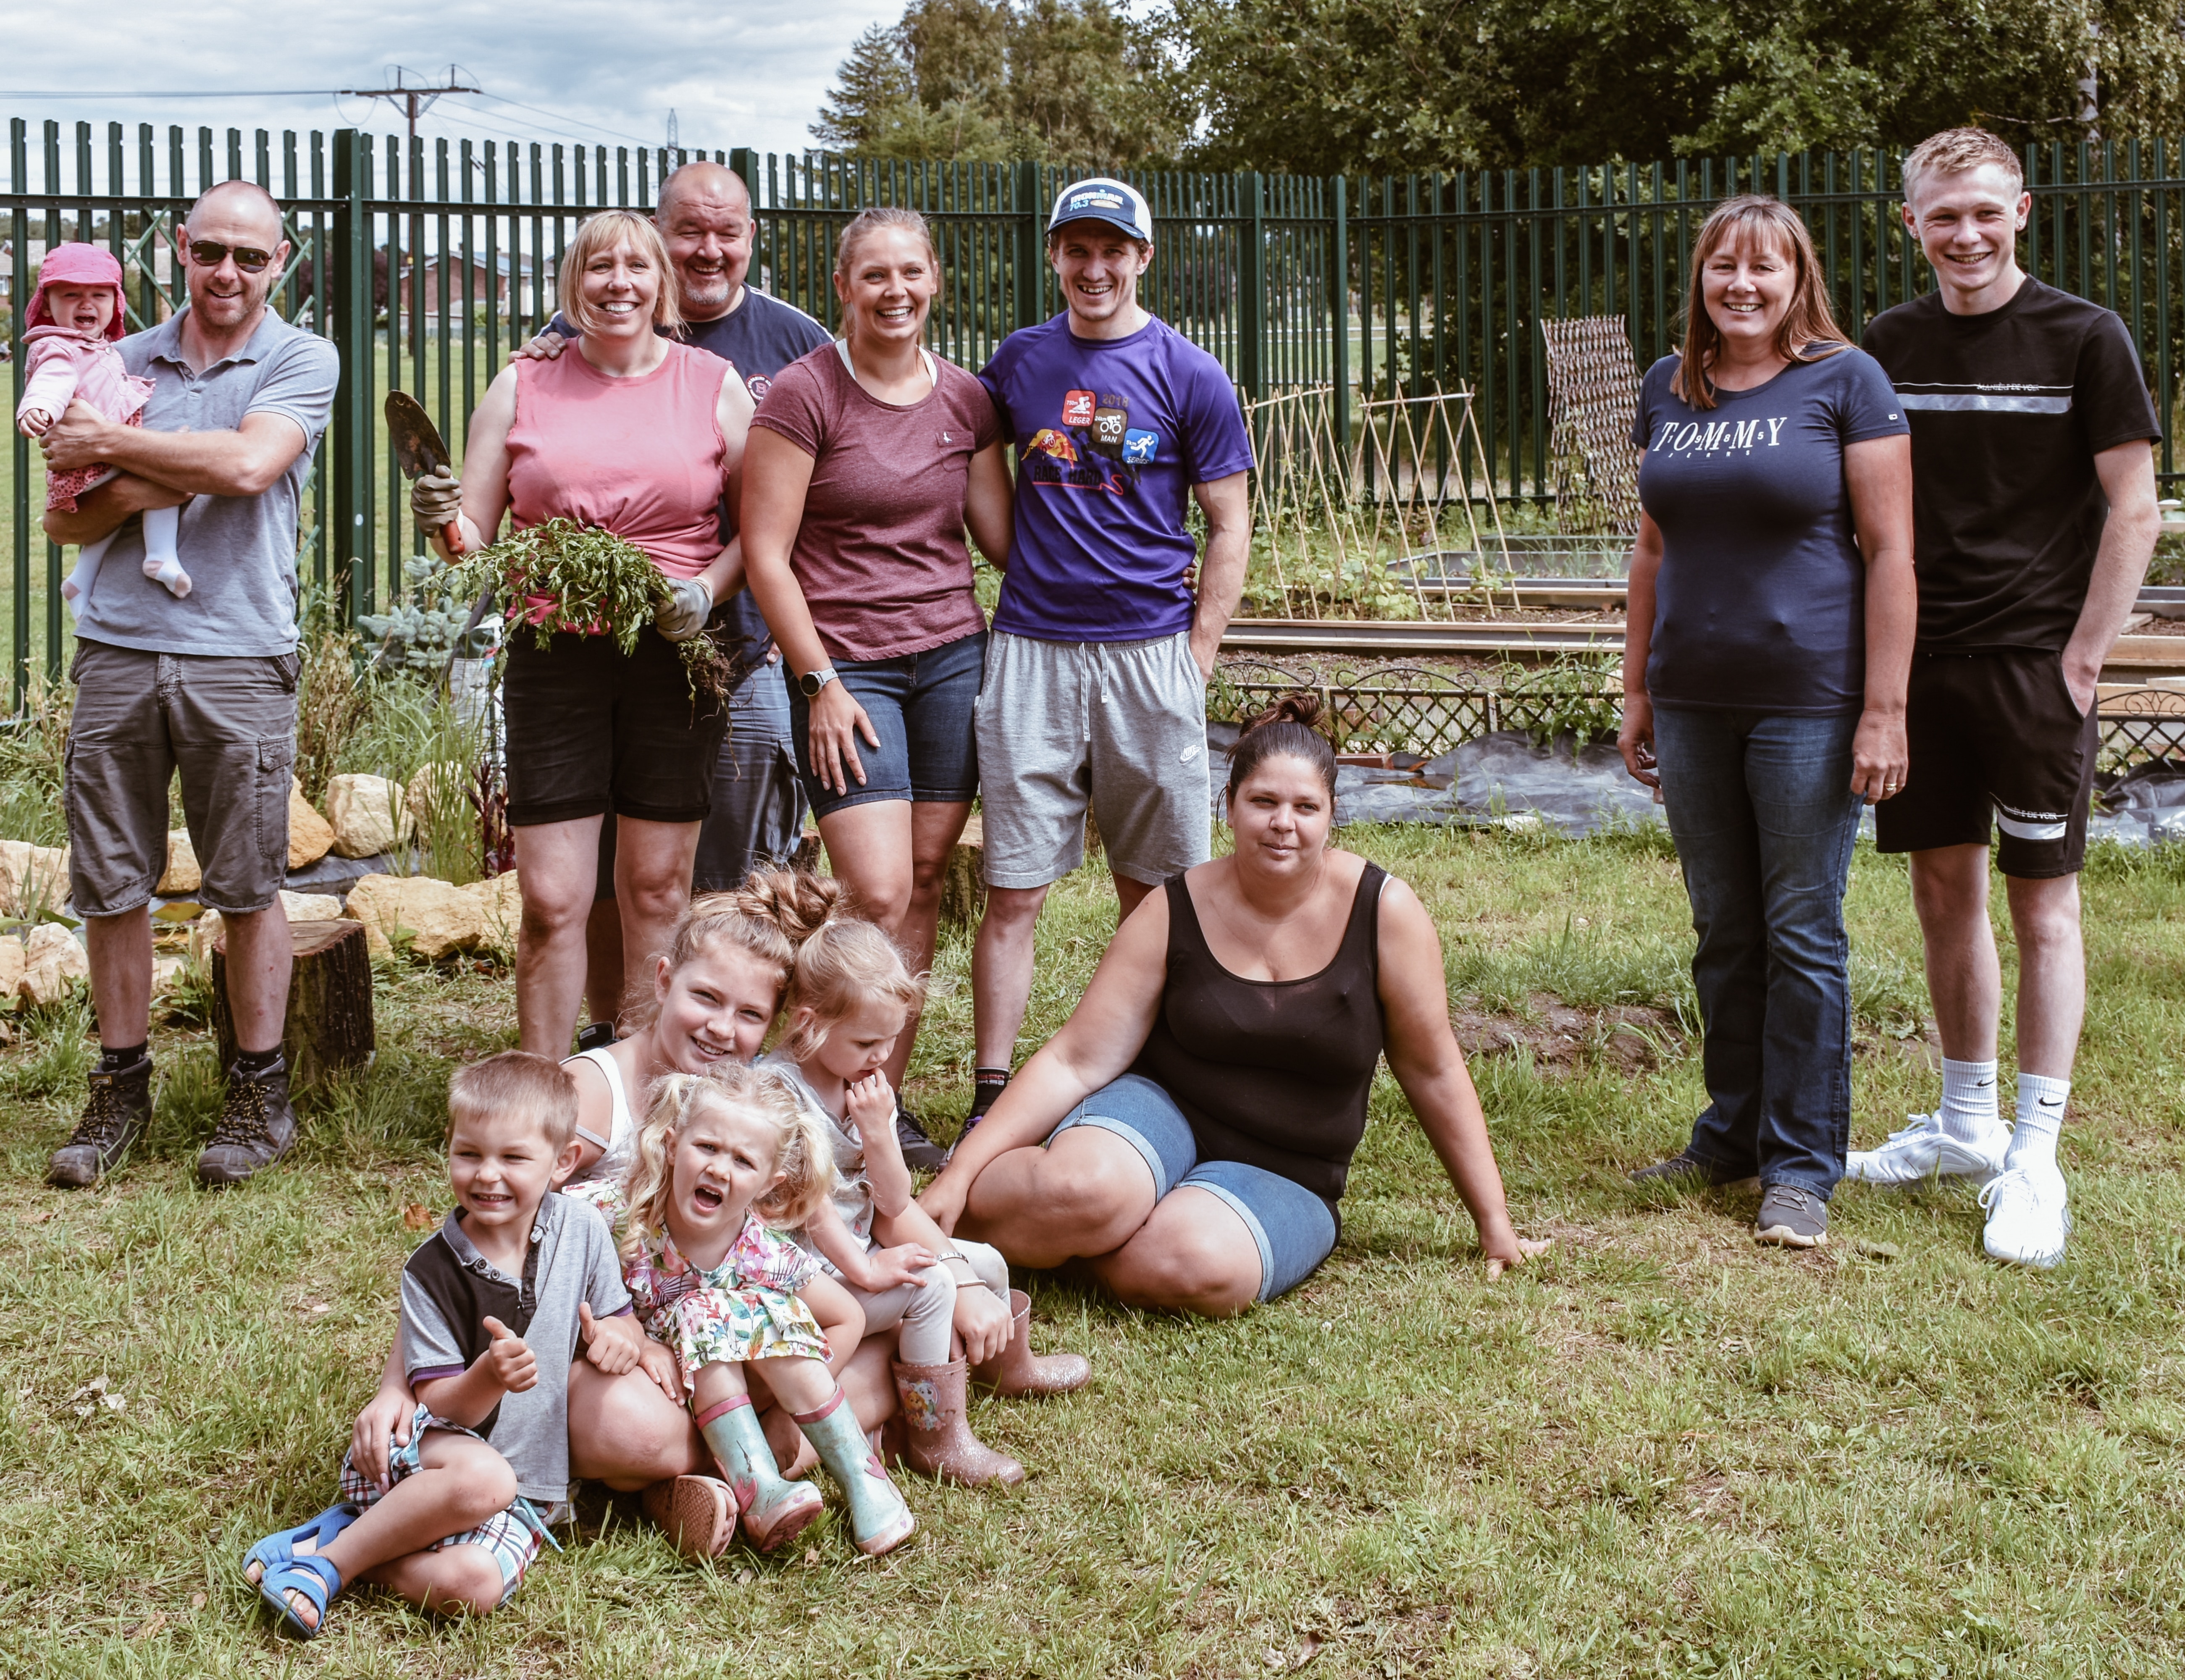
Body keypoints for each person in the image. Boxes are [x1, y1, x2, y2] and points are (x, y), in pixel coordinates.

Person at [345, 874, 912, 1559]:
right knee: (630, 1431)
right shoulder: (593, 1097)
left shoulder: (745, 1100)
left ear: (772, 1027)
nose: (721, 1029)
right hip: (605, 1348)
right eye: (705, 998)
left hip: (724, 1331)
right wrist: (392, 1383)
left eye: (749, 1016)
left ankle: (709, 1479)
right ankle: (749, 1461)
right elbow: (476, 1228)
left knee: (816, 1353)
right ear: (664, 979)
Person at [920, 696, 1545, 1316]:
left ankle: (1086, 1240)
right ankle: (951, 1222)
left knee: (1183, 1261)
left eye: (1305, 807)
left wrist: (1493, 1223)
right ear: (1229, 806)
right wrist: (956, 1173)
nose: (1283, 822)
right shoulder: (1174, 906)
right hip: (1158, 1113)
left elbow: (1433, 1069)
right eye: (1263, 802)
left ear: (1331, 816)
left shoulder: (1385, 912)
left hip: (1291, 1169)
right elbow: (1075, 1061)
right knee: (1080, 1190)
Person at [1849, 128, 2162, 1268]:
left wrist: (2082, 660)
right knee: (1943, 894)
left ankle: (2036, 1157)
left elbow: (2135, 509)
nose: (1965, 234)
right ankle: (1966, 1126)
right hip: (1920, 671)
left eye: (1984, 211)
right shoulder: (1884, 345)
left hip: (2037, 674)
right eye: (1942, 216)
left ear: (2021, 210)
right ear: (1910, 225)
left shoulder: (2087, 337)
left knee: (2043, 910)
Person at [1618, 195, 1917, 1251]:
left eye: (1763, 269)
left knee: (1801, 930)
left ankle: (1801, 1166)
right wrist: (1637, 688)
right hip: (1694, 697)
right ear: (1699, 279)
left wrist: (1885, 710)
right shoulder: (1670, 386)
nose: (1740, 286)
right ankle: (1730, 1134)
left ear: (1799, 281)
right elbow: (1652, 552)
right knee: (1723, 929)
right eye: (1722, 268)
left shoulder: (1847, 382)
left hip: (1811, 702)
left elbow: (1891, 555)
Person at [39, 179, 339, 1190]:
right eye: (211, 251)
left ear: (280, 264)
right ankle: (121, 1088)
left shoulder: (301, 358)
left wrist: (120, 451)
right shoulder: (118, 359)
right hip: (118, 647)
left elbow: (254, 467)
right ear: (180, 249)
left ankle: (259, 1094)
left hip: (240, 652)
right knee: (112, 882)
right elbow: (67, 519)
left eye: (250, 258)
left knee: (248, 885)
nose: (228, 273)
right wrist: (186, 465)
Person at [412, 208, 754, 1060]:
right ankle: (539, 1085)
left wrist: (705, 590)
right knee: (553, 898)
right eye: (599, 267)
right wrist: (440, 520)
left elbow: (762, 531)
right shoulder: (522, 383)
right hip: (553, 653)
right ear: (574, 283)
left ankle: (642, 1086)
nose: (618, 282)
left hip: (674, 651)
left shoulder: (713, 382)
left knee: (656, 884)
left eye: (637, 266)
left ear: (661, 285)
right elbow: (475, 543)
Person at [509, 160, 832, 1045]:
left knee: (732, 865)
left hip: (739, 644)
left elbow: (795, 501)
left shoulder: (795, 341)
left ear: (751, 238)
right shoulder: (563, 340)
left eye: (727, 231)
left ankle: (733, 1043)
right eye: (689, 230)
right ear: (661, 236)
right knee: (613, 864)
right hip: (582, 649)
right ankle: (614, 1036)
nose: (708, 248)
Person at [966, 177, 1254, 1137]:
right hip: (1034, 654)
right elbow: (950, 441)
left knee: (1161, 889)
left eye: (1113, 250)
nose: (1095, 268)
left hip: (1148, 657)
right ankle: (992, 1091)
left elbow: (1228, 522)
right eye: (1076, 250)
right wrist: (1020, 562)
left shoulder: (1190, 373)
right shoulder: (1018, 363)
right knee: (1014, 887)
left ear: (1144, 256)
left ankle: (1167, 1076)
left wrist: (1196, 656)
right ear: (1054, 256)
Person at [741, 205, 1014, 1166]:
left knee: (928, 884)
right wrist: (817, 682)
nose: (895, 292)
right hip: (847, 667)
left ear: (933, 280)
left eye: (912, 273)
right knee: (876, 885)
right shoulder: (803, 395)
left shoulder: (967, 401)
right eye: (875, 276)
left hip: (948, 658)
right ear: (844, 289)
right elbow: (767, 555)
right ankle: (803, 1087)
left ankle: (879, 1105)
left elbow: (1000, 539)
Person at [240, 1053, 643, 1637]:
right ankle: (330, 1571)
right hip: (432, 1459)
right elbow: (440, 1405)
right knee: (487, 1479)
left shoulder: (581, 1230)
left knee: (473, 1587)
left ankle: (339, 1542)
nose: (487, 1175)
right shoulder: (431, 1270)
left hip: (529, 1489)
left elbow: (620, 1317)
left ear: (563, 1163)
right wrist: (490, 1375)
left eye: (513, 1158)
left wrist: (620, 1341)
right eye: (469, 1153)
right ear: (448, 1147)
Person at [762, 908, 1088, 1488]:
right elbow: (809, 1214)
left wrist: (881, 1132)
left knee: (982, 1261)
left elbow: (892, 1198)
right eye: (867, 1041)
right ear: (809, 1023)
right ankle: (936, 1435)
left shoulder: (858, 1082)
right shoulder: (779, 1095)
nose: (881, 1057)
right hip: (811, 1275)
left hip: (860, 1250)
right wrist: (867, 1267)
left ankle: (1008, 1367)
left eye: (890, 1041)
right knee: (934, 1288)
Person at [589, 1064, 919, 1558]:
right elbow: (568, 1263)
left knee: (745, 1310)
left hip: (743, 1389)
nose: (720, 1169)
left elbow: (846, 1316)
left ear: (770, 1182)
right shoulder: (622, 1219)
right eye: (707, 1147)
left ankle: (860, 1478)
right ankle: (751, 1485)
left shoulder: (762, 1251)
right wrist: (638, 1338)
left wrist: (787, 1410)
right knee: (702, 1310)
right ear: (673, 1144)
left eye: (744, 1161)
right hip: (665, 1392)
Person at [14, 243, 186, 603]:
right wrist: (40, 407)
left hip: (101, 455)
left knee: (123, 505)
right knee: (165, 471)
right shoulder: (60, 347)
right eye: (72, 294)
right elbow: (53, 379)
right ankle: (161, 555)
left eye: (99, 294)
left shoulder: (97, 346)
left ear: (115, 302)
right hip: (91, 460)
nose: (86, 303)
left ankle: (82, 578)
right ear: (47, 304)